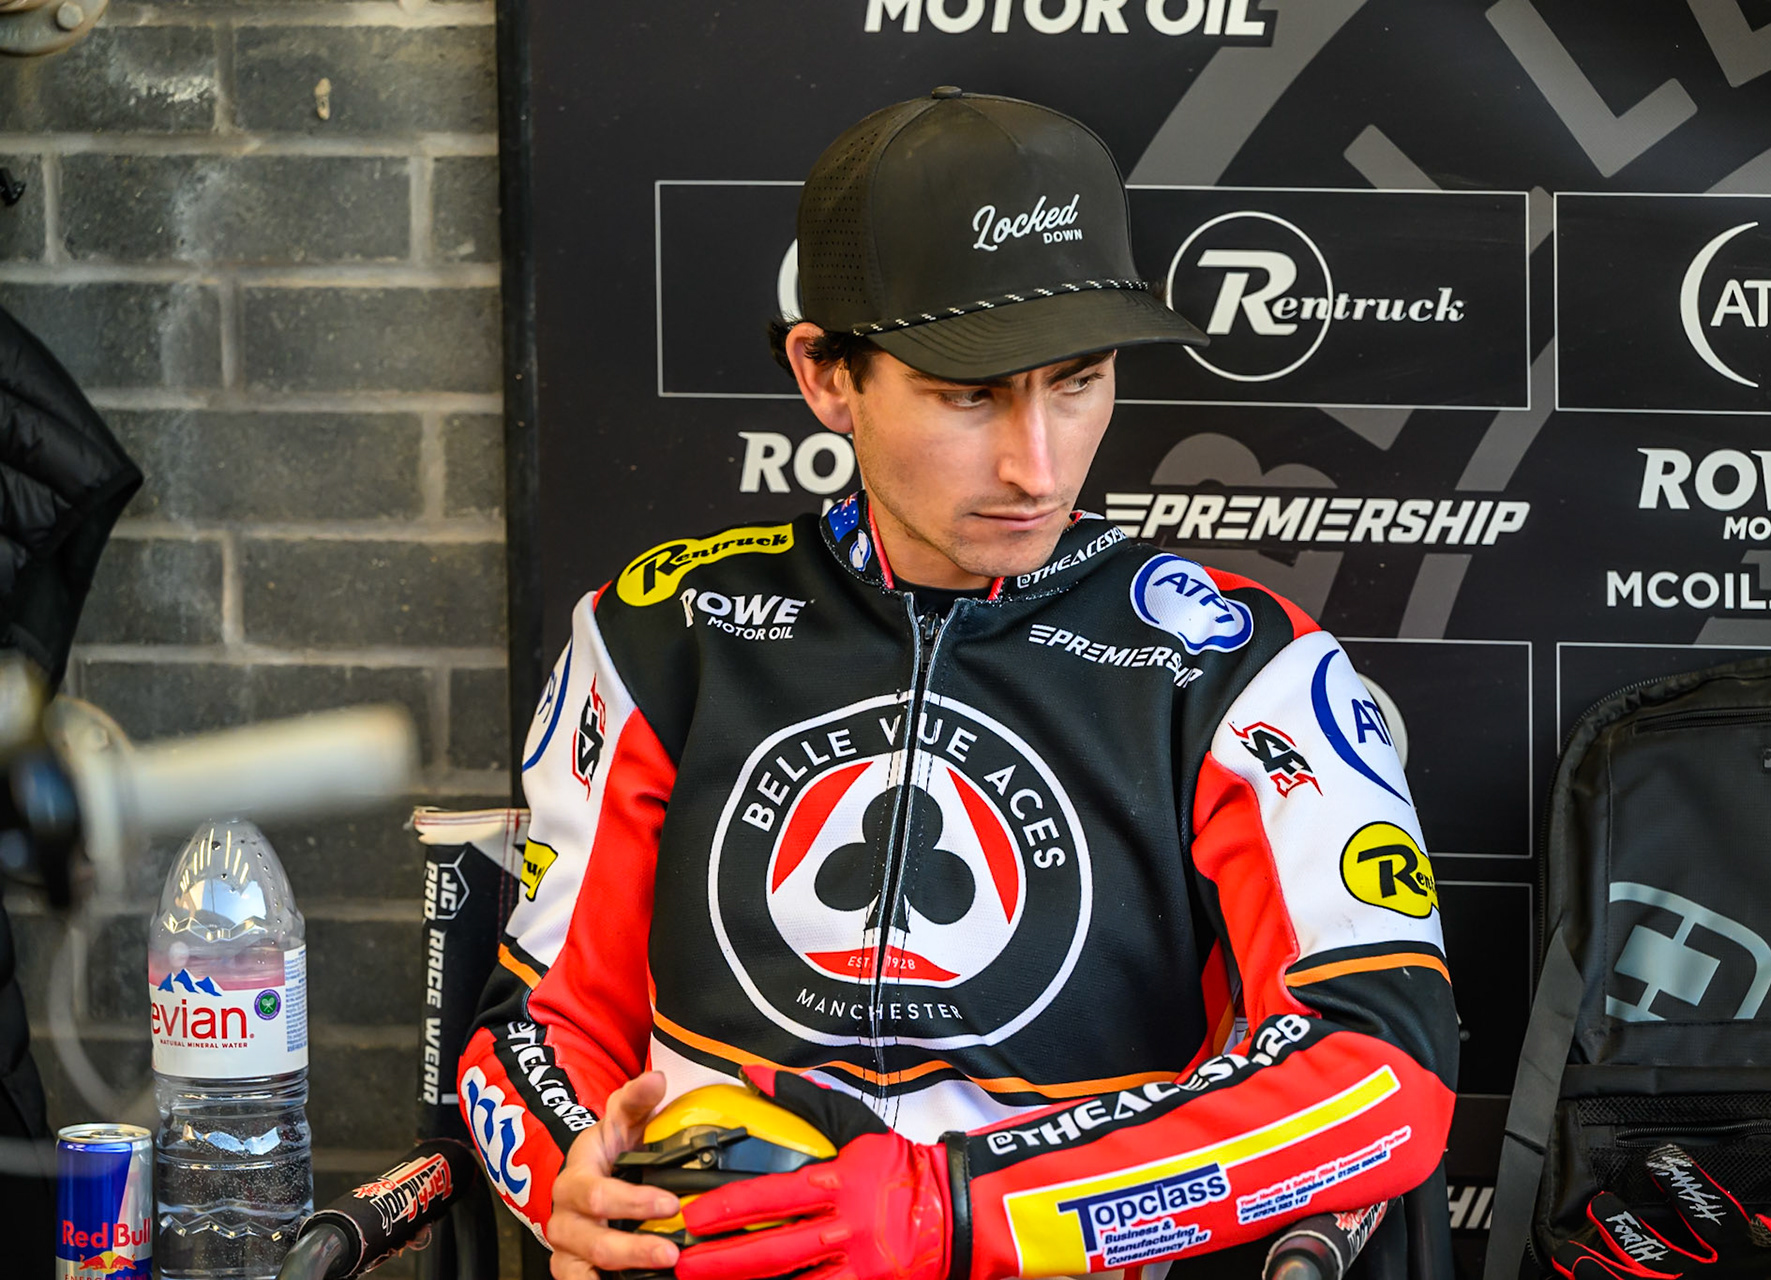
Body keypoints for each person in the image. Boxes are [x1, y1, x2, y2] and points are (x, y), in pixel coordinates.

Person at [459, 87, 1458, 1280]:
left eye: (1077, 379)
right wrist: (571, 1172)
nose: (1036, 462)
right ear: (828, 376)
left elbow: (1382, 1075)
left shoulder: (1240, 664)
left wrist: (963, 1212)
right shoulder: (660, 632)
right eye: (970, 393)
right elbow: (536, 1026)